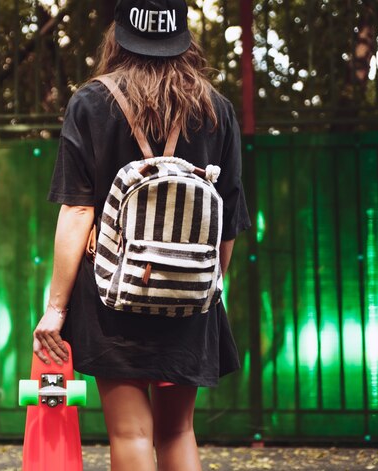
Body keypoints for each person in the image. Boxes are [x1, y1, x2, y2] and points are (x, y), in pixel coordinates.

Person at [33, 0, 251, 469]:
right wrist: (201, 288)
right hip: (191, 298)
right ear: (182, 38)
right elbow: (228, 222)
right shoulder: (217, 110)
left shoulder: (90, 102)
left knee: (131, 434)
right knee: (178, 432)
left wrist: (56, 309)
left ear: (120, 35)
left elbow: (76, 211)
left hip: (114, 297)